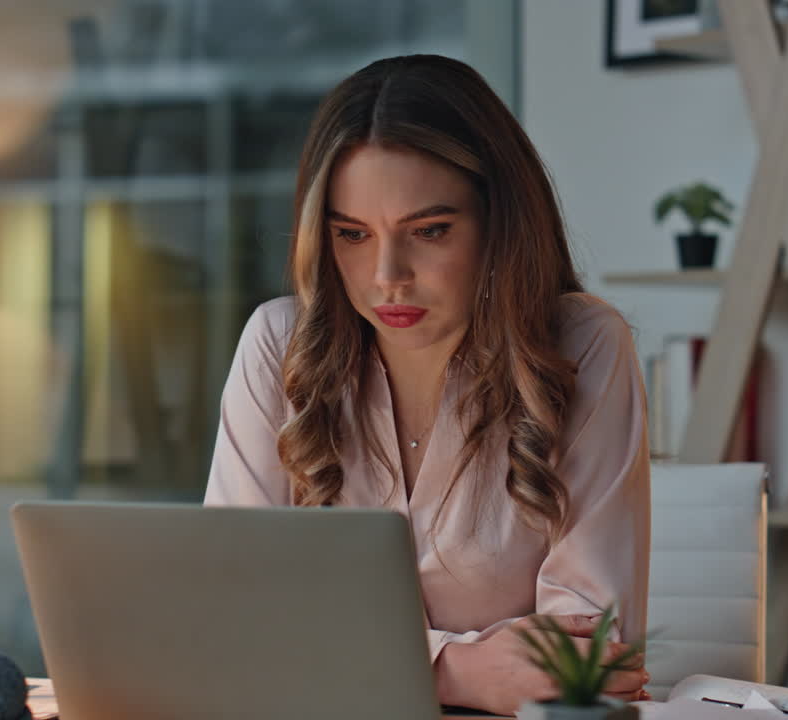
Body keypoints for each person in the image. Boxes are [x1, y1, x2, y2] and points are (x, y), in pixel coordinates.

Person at [204, 54, 650, 716]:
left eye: (429, 231)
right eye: (352, 234)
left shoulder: (583, 346)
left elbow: (585, 658)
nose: (388, 275)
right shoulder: (278, 347)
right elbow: (227, 625)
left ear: (500, 222)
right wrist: (455, 670)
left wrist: (340, 659)